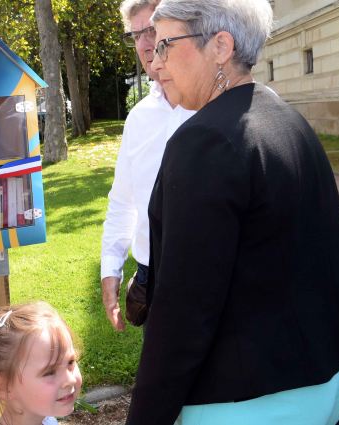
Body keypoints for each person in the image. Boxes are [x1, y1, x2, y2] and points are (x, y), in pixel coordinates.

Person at [124, 0, 339, 423]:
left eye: (166, 43)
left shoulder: (203, 140)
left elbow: (185, 309)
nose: (156, 57)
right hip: (331, 379)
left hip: (253, 397)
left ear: (221, 45)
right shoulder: (287, 120)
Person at [100, 0, 195, 331]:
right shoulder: (138, 118)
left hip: (208, 273)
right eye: (136, 34)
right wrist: (111, 269)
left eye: (152, 30)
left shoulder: (214, 108)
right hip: (149, 275)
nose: (144, 43)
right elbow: (123, 200)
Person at [0, 302, 83, 425]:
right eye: (49, 372)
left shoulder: (47, 420)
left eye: (71, 362)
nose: (70, 380)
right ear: (4, 387)